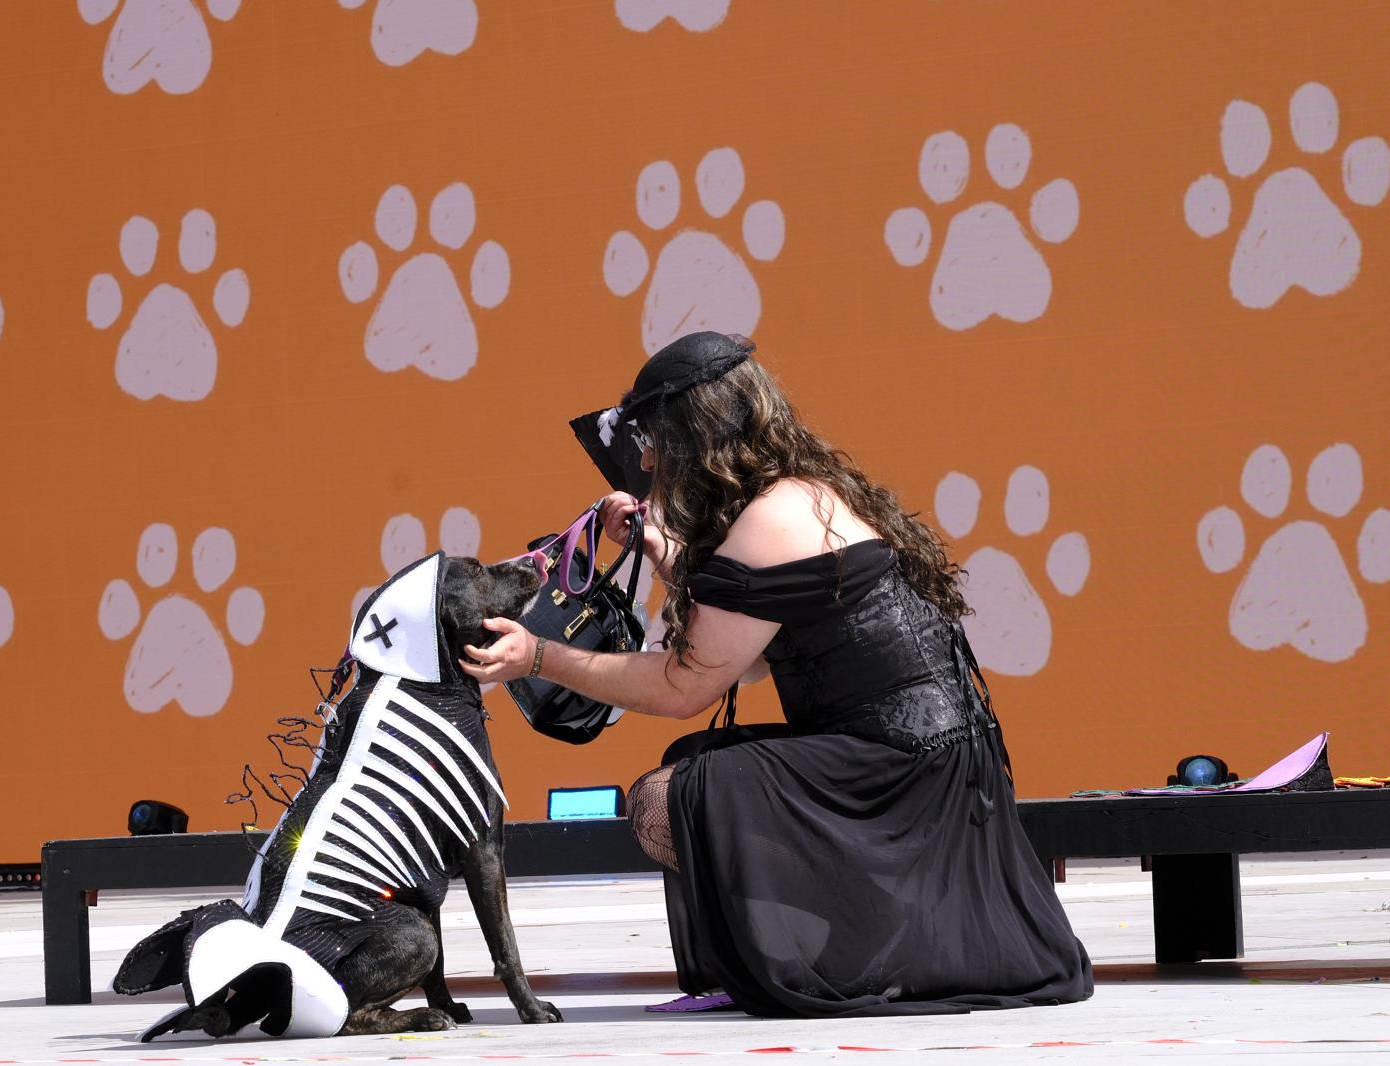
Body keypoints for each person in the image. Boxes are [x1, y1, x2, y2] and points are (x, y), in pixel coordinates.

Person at [461, 331, 1093, 1018]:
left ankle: (861, 953)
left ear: (691, 438)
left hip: (905, 771)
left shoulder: (767, 521)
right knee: (706, 766)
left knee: (672, 798)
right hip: (929, 759)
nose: (643, 460)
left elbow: (685, 686)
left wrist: (540, 657)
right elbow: (755, 658)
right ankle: (858, 945)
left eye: (651, 440)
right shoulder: (801, 497)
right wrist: (656, 548)